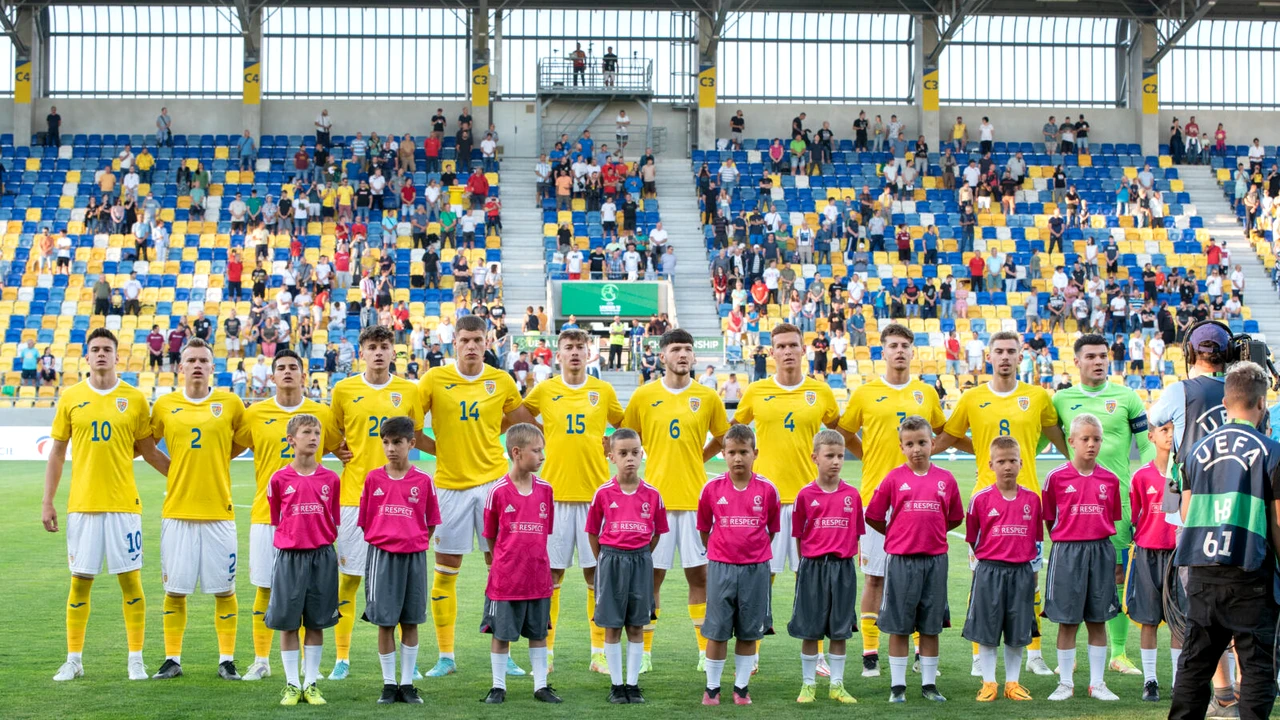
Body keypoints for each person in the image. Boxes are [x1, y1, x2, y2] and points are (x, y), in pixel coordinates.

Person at [935, 331, 1068, 676]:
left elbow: (1057, 437)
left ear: (1021, 357)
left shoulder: (1038, 397)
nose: (1005, 356)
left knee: (1031, 583)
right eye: (999, 351)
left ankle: (1034, 652)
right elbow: (950, 435)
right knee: (982, 582)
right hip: (986, 504)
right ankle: (980, 654)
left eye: (1012, 351)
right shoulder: (971, 397)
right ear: (989, 357)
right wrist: (917, 455)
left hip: (1028, 504)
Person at [44, 329, 167, 682]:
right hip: (81, 505)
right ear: (87, 357)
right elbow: (56, 453)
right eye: (95, 349)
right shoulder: (71, 397)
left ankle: (136, 659)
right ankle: (74, 659)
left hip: (123, 507)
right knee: (80, 582)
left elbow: (150, 452)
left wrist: (184, 478)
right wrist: (47, 501)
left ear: (117, 357)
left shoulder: (134, 398)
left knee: (131, 583)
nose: (101, 354)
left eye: (107, 350)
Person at [417, 315, 530, 678]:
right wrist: (446, 451)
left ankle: (505, 652)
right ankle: (446, 656)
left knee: (501, 568)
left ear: (487, 343)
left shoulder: (501, 381)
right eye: (464, 340)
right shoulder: (434, 379)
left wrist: (488, 438)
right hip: (449, 486)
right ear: (455, 343)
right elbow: (411, 429)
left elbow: (522, 424)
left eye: (477, 340)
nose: (470, 346)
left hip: (493, 486)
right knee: (445, 571)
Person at [1168, 361, 1280, 720]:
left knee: (1195, 664)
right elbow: (1277, 524)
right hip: (1250, 572)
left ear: (1227, 402)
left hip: (1201, 571)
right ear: (1261, 404)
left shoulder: (1194, 451)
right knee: (1258, 665)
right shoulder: (1272, 451)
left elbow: (1186, 513)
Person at [835, 323, 945, 677]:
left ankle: (917, 652)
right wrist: (867, 455)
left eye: (905, 346)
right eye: (893, 345)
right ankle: (870, 653)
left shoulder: (925, 393)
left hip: (920, 505)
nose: (899, 351)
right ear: (883, 351)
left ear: (913, 352)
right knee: (875, 579)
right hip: (877, 502)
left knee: (917, 580)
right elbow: (844, 431)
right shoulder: (866, 393)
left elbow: (942, 432)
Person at [731, 324, 840, 669]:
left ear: (803, 350)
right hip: (767, 501)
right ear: (772, 352)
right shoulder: (756, 391)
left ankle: (817, 655)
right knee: (760, 578)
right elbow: (736, 433)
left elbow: (837, 433)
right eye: (781, 346)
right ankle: (753, 652)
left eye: (794, 345)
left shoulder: (820, 392)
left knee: (812, 579)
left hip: (812, 501)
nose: (788, 351)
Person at [622, 328, 730, 671]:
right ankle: (646, 655)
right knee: (650, 579)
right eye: (675, 349)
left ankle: (703, 651)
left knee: (700, 578)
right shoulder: (643, 395)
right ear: (663, 356)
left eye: (687, 349)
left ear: (694, 356)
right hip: (654, 505)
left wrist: (699, 457)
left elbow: (724, 438)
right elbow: (627, 439)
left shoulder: (708, 397)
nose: (682, 355)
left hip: (696, 500)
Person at [233, 350, 343, 681]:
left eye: (293, 367)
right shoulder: (255, 413)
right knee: (265, 586)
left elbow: (341, 448)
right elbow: (236, 446)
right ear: (273, 375)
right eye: (280, 367)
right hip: (265, 515)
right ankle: (261, 660)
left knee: (311, 592)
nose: (287, 372)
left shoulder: (320, 412)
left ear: (303, 374)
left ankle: (309, 669)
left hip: (308, 523)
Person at [521, 330, 625, 673]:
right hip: (553, 497)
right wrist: (539, 438)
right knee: (550, 578)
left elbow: (623, 427)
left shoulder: (603, 390)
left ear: (589, 353)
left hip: (596, 498)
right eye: (569, 348)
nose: (576, 352)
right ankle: (546, 653)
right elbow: (519, 416)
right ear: (558, 354)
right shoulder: (546, 389)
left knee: (598, 577)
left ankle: (598, 654)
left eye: (581, 347)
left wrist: (610, 444)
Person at [1051, 334, 1155, 675]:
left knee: (1118, 574)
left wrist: (1151, 487)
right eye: (1091, 356)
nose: (1098, 361)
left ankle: (1118, 653)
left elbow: (1149, 445)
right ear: (1077, 361)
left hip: (1119, 503)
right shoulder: (1061, 400)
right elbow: (1039, 438)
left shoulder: (1126, 397)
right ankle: (1070, 653)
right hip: (1074, 507)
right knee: (1072, 577)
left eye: (1103, 356)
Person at [327, 326, 426, 680]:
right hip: (354, 497)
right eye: (372, 347)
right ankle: (342, 657)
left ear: (394, 352)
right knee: (349, 580)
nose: (380, 353)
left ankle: (404, 668)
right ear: (362, 353)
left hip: (400, 502)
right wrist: (338, 448)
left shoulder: (409, 390)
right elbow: (333, 435)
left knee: (402, 582)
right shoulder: (343, 389)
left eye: (386, 347)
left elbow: (414, 434)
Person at [149, 338, 247, 681]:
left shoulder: (230, 403)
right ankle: (172, 659)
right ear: (180, 367)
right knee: (174, 589)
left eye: (203, 360)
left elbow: (244, 439)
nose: (196, 365)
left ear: (212, 368)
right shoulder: (164, 405)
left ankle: (226, 660)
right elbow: (146, 444)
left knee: (225, 590)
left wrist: (218, 461)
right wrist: (174, 471)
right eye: (190, 360)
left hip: (219, 512)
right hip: (177, 512)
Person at [866, 415, 963, 703]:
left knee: (930, 625)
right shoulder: (894, 478)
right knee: (899, 624)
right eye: (910, 444)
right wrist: (898, 534)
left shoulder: (946, 479)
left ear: (933, 443)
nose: (917, 448)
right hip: (901, 561)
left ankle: (929, 685)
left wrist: (930, 533)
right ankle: (898, 687)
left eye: (922, 442)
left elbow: (955, 518)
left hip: (935, 561)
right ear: (901, 447)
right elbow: (873, 515)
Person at [695, 425, 780, 706]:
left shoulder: (767, 489)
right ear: (723, 454)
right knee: (717, 631)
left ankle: (741, 688)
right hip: (721, 567)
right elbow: (704, 529)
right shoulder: (711, 488)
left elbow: (771, 529)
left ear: (755, 453)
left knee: (748, 630)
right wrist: (721, 550)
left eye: (744, 452)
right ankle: (712, 688)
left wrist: (750, 550)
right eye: (732, 452)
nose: (738, 458)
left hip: (756, 568)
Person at [359, 417, 440, 705]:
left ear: (411, 444)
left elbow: (431, 522)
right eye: (386, 442)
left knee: (411, 621)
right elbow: (366, 520)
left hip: (414, 557)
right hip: (382, 557)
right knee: (385, 622)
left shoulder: (423, 480)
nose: (390, 448)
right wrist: (388, 537)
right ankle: (388, 684)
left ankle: (407, 684)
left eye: (397, 442)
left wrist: (412, 539)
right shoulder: (373, 479)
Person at [264, 413, 342, 706]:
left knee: (316, 622)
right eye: (307, 432)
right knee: (287, 622)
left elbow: (333, 518)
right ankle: (292, 684)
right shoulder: (279, 478)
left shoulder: (330, 478)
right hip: (290, 557)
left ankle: (311, 683)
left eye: (317, 433)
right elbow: (276, 519)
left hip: (322, 556)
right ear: (291, 440)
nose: (313, 437)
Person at [479, 424, 560, 705]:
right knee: (501, 634)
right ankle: (498, 686)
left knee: (538, 633)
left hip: (538, 576)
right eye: (536, 450)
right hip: (506, 579)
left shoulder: (546, 491)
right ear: (516, 452)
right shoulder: (498, 492)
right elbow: (490, 536)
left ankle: (541, 686)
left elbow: (544, 531)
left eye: (542, 450)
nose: (542, 456)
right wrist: (504, 560)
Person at [586, 428, 668, 704]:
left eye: (635, 452)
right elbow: (592, 533)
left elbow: (656, 533)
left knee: (636, 625)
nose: (630, 458)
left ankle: (633, 684)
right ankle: (616, 684)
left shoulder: (653, 495)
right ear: (611, 457)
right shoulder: (603, 493)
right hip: (610, 560)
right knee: (612, 625)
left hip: (641, 560)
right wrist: (606, 558)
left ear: (642, 454)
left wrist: (640, 554)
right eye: (623, 453)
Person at [787, 429, 864, 705]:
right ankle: (808, 685)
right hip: (813, 568)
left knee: (840, 628)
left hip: (842, 568)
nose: (836, 461)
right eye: (829, 455)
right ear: (815, 458)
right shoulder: (805, 495)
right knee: (810, 628)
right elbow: (799, 537)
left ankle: (837, 684)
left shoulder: (852, 495)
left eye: (840, 456)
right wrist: (807, 565)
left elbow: (856, 534)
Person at [963, 436, 1041, 702]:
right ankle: (988, 683)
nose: (1007, 466)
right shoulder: (980, 500)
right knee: (987, 629)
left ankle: (1012, 683)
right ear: (990, 465)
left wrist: (1033, 575)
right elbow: (973, 539)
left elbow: (1036, 539)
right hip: (990, 571)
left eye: (1012, 461)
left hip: (1021, 572)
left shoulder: (1032, 499)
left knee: (1017, 632)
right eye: (1001, 461)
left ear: (1021, 463)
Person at [1126, 420, 1180, 702]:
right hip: (1147, 553)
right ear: (1151, 436)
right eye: (1164, 430)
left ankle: (1176, 682)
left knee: (1177, 622)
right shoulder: (1141, 477)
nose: (1170, 436)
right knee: (1148, 620)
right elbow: (1136, 517)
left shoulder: (1184, 474)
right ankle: (1150, 681)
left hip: (1177, 555)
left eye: (1174, 430)